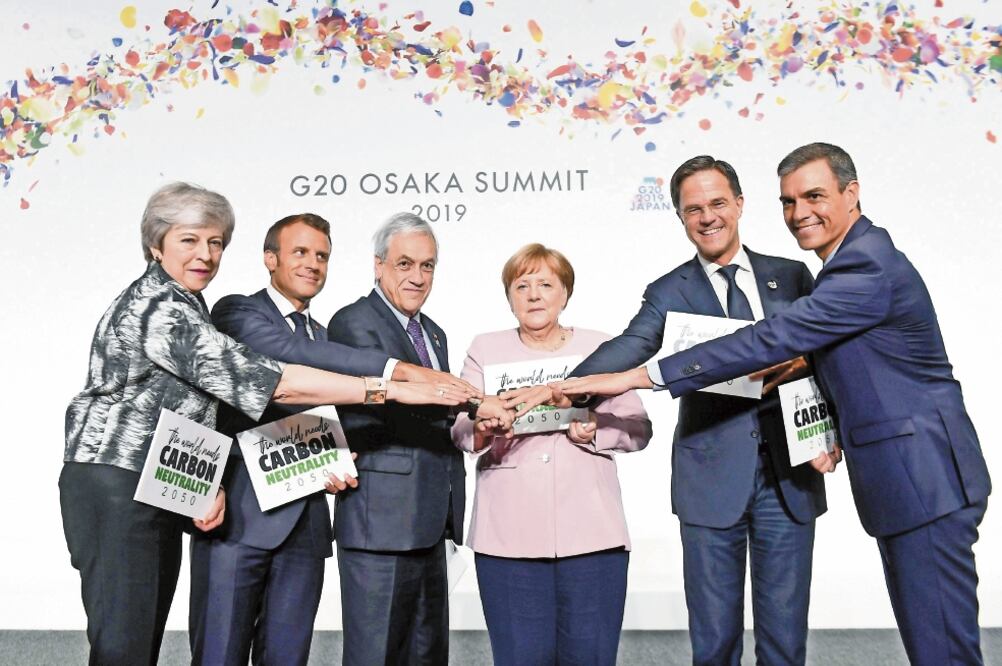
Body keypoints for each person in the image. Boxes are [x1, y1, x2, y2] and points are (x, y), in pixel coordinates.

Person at [554, 143, 992, 665]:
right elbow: (840, 365)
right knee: (928, 642)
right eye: (789, 201)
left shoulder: (842, 270)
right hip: (751, 481)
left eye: (813, 196)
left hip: (887, 479)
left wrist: (647, 378)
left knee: (932, 645)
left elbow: (774, 345)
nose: (800, 212)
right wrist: (564, 388)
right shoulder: (684, 287)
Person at [60, 184, 470, 666]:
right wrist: (392, 380)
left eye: (215, 243)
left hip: (164, 487)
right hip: (121, 482)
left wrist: (332, 456)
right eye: (189, 240)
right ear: (156, 244)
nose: (205, 254)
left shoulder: (189, 305)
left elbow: (201, 411)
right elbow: (273, 382)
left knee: (138, 640)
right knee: (124, 647)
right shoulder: (172, 308)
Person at [569, 156, 830, 665]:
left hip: (790, 476)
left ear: (738, 204)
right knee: (713, 641)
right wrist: (569, 387)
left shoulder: (793, 275)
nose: (708, 217)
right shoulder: (669, 291)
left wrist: (829, 434)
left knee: (785, 638)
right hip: (709, 479)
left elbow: (827, 361)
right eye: (694, 209)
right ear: (681, 218)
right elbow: (632, 344)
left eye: (717, 203)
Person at [188, 213, 478, 665]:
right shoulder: (237, 312)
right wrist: (396, 377)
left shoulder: (326, 335)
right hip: (238, 522)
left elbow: (328, 420)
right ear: (270, 259)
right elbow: (289, 363)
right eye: (300, 252)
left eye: (322, 255)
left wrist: (335, 456)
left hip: (305, 524)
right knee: (218, 655)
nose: (312, 264)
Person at [453, 243, 652, 666]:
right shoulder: (485, 349)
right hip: (508, 542)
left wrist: (597, 430)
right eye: (521, 285)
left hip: (593, 537)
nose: (533, 294)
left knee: (591, 658)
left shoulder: (601, 349)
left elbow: (639, 430)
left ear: (565, 294)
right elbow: (460, 431)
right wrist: (484, 427)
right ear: (509, 296)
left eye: (546, 284)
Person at [329, 212, 510, 665]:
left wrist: (480, 423)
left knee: (427, 654)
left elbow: (437, 425)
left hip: (432, 522)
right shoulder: (354, 322)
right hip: (381, 522)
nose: (417, 276)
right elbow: (399, 400)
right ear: (378, 266)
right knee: (377, 654)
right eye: (404, 264)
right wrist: (476, 401)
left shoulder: (434, 333)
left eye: (427, 266)